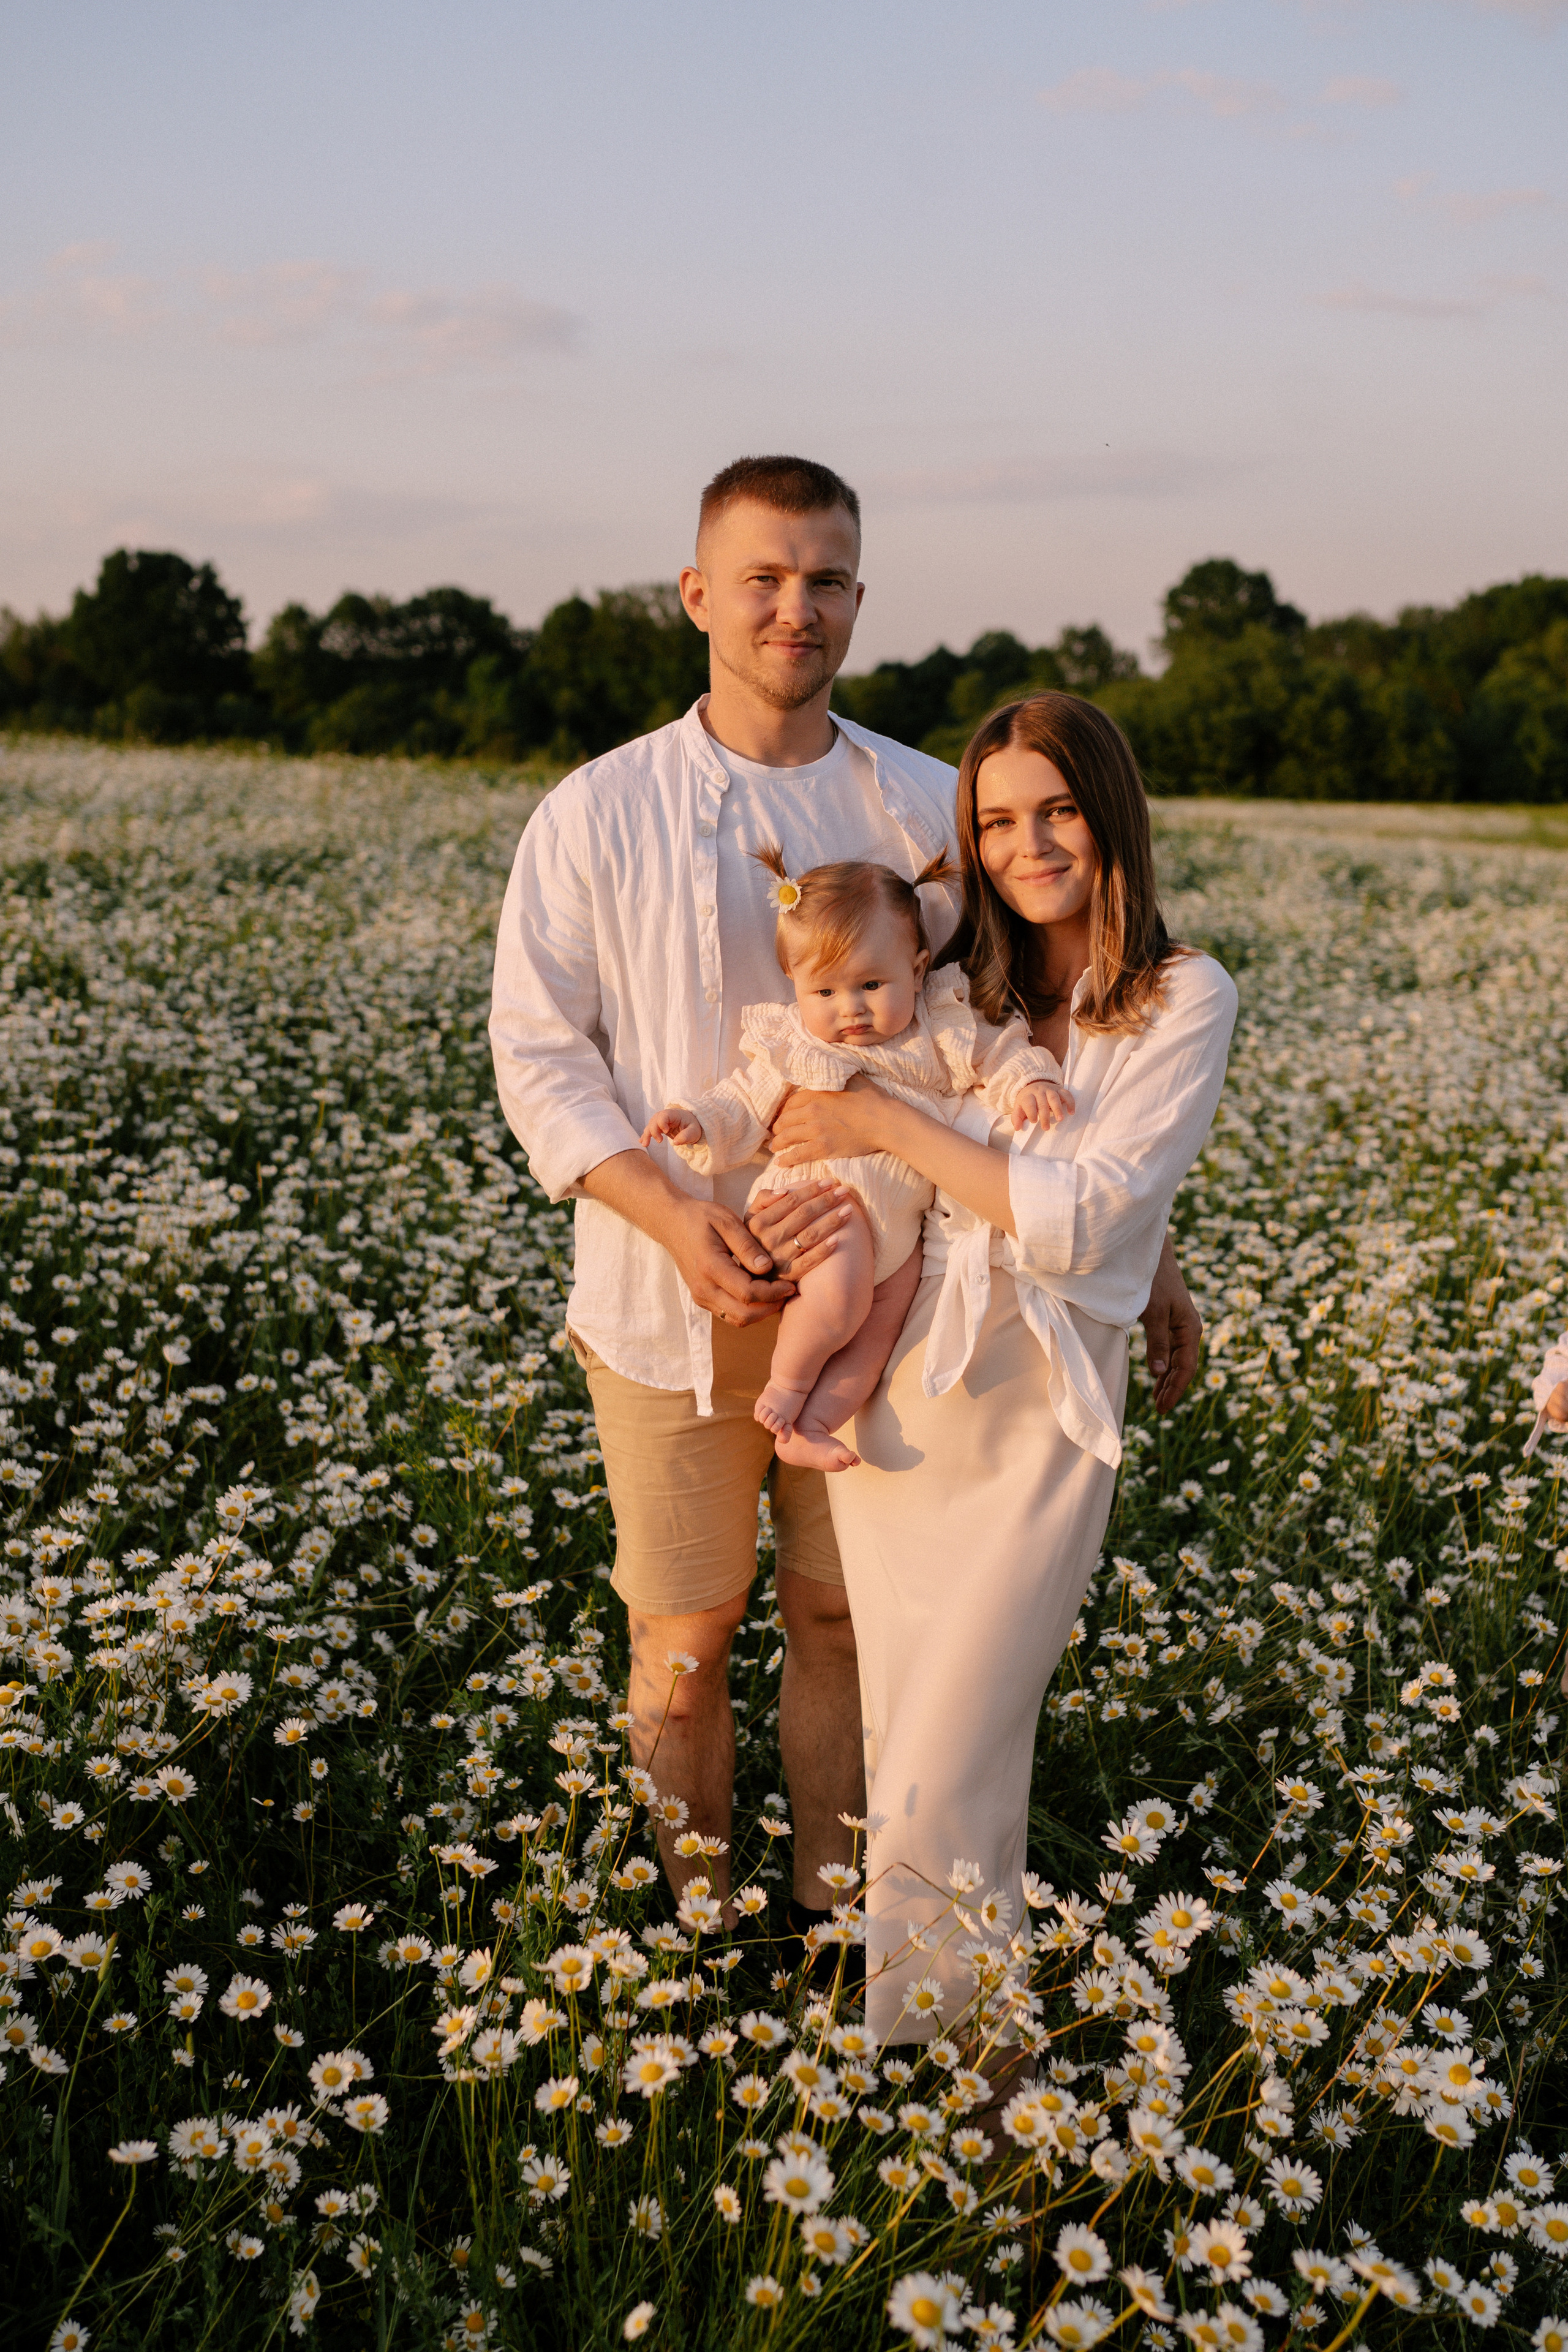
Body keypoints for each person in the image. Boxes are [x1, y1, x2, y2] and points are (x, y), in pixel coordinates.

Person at [489, 453, 1204, 1956]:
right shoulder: (594, 810)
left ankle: (831, 1923)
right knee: (680, 1641)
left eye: (822, 580)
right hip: (659, 1298)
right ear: (697, 594)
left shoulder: (912, 800)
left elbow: (1027, 1030)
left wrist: (1148, 1246)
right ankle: (693, 1930)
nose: (790, 607)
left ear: (857, 602)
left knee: (839, 1620)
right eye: (759, 577)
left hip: (896, 1287)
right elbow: (540, 1059)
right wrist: (677, 1220)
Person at [768, 690, 1237, 2049]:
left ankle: (951, 2078)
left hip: (1037, 1409)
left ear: (1109, 815)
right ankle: (955, 2082)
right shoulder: (962, 978)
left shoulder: (1179, 992)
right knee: (910, 1744)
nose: (1027, 844)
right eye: (993, 820)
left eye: (1055, 811)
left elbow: (1083, 1208)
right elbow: (857, 1106)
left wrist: (880, 1123)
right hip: (910, 1391)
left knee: (952, 1752)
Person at [642, 848, 1071, 1471]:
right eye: (826, 990)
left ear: (919, 968)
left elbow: (1000, 1051)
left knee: (878, 1336)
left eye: (872, 985)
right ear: (794, 983)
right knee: (840, 1303)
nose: (851, 1009)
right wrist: (696, 1121)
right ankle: (784, 1393)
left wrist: (1029, 1082)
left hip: (903, 1232)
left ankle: (811, 1426)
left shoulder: (938, 1028)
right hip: (824, 1212)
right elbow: (742, 1101)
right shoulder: (794, 1044)